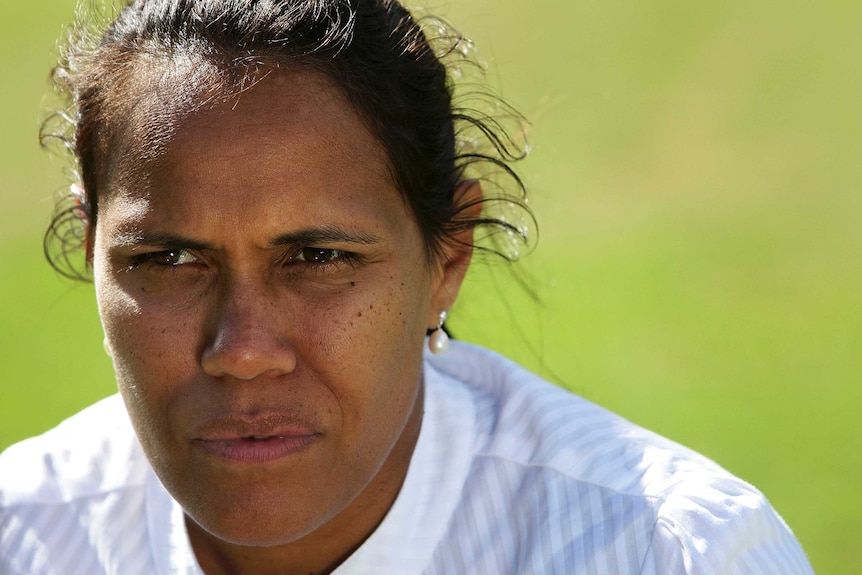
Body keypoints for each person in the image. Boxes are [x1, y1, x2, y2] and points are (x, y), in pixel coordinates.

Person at [0, 1, 814, 574]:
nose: (243, 350)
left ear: (447, 257)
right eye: (170, 260)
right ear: (91, 247)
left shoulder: (668, 552)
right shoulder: (22, 534)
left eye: (318, 258)